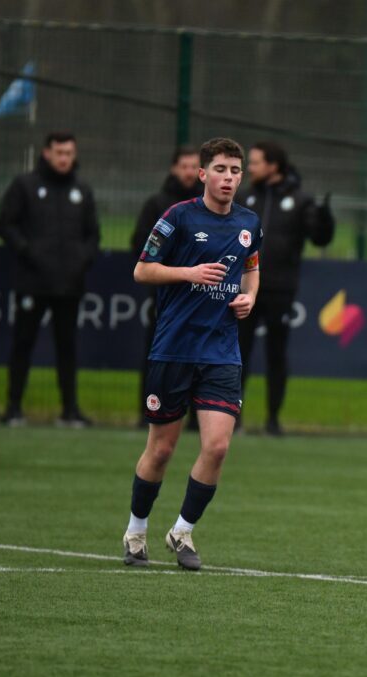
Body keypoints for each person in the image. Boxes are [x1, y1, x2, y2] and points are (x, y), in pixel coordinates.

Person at [121, 137, 261, 571]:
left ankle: (182, 531)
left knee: (217, 446)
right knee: (161, 449)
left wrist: (249, 297)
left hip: (221, 351)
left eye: (235, 171)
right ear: (203, 174)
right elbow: (142, 269)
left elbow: (253, 269)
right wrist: (189, 273)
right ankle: (136, 530)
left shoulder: (249, 221)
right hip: (174, 349)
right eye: (220, 169)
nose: (228, 178)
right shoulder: (177, 217)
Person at [0, 131, 100, 428]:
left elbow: (93, 234)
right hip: (32, 281)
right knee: (23, 343)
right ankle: (13, 407)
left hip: (69, 284)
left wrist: (83, 259)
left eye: (69, 153)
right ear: (47, 153)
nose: (64, 158)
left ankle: (70, 410)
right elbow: (6, 225)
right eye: (59, 152)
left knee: (67, 346)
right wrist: (28, 251)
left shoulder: (82, 190)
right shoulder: (25, 186)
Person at [237, 141, 334, 435]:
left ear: (273, 166)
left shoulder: (300, 199)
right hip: (243, 288)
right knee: (237, 353)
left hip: (280, 289)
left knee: (276, 354)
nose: (249, 168)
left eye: (254, 163)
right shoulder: (245, 197)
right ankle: (232, 416)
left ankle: (272, 419)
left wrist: (324, 219)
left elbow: (319, 238)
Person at [130, 145, 203, 428]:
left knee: (202, 358)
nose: (188, 172)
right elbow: (139, 247)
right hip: (167, 297)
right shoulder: (158, 204)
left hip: (203, 298)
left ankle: (199, 417)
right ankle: (148, 410)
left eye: (193, 167)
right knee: (158, 355)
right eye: (183, 166)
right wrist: (175, 270)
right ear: (174, 168)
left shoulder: (209, 208)